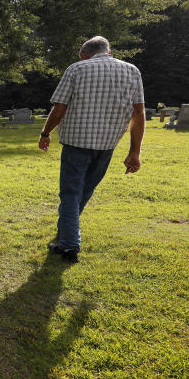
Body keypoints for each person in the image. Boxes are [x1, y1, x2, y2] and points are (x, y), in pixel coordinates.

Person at [38, 36, 145, 263]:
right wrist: (135, 151)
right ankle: (66, 232)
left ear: (83, 54)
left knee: (70, 193)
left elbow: (59, 109)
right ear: (108, 51)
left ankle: (68, 245)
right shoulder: (132, 71)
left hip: (77, 142)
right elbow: (138, 113)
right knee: (85, 190)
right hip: (107, 144)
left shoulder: (76, 69)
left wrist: (45, 134)